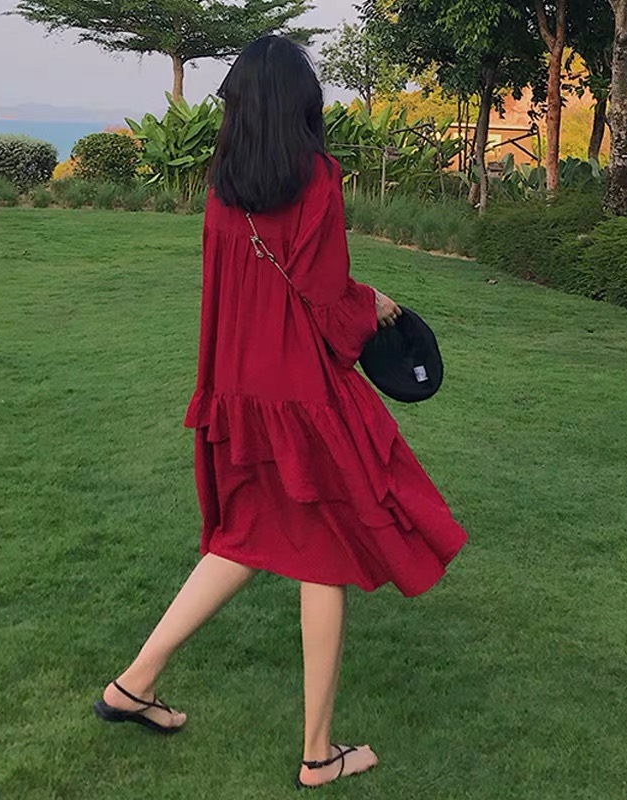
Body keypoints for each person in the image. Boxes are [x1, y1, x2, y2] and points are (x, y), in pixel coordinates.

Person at [93, 36, 468, 790]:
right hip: (300, 397)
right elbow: (327, 301)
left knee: (244, 538)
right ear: (301, 105)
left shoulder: (221, 188)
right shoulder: (317, 179)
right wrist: (374, 303)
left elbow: (230, 299)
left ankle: (132, 686)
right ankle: (318, 755)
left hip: (236, 392)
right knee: (322, 553)